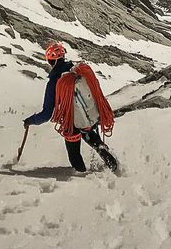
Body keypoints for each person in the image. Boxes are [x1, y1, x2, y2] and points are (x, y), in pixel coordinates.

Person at [23, 41, 116, 173]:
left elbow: (47, 114)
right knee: (88, 133)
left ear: (51, 61)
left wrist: (30, 121)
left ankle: (82, 175)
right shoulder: (78, 72)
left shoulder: (54, 82)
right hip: (87, 116)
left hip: (70, 122)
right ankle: (101, 149)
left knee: (74, 154)